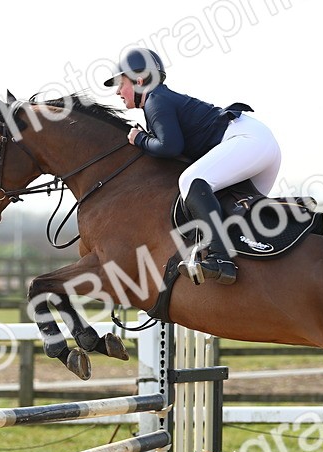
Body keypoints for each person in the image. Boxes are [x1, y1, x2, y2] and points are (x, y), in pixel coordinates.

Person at [104, 48, 282, 286]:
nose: (117, 91)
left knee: (190, 181)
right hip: (260, 146)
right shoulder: (160, 99)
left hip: (248, 141)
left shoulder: (156, 100)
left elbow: (170, 147)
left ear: (139, 80)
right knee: (235, 214)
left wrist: (140, 139)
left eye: (120, 83)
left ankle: (220, 259)